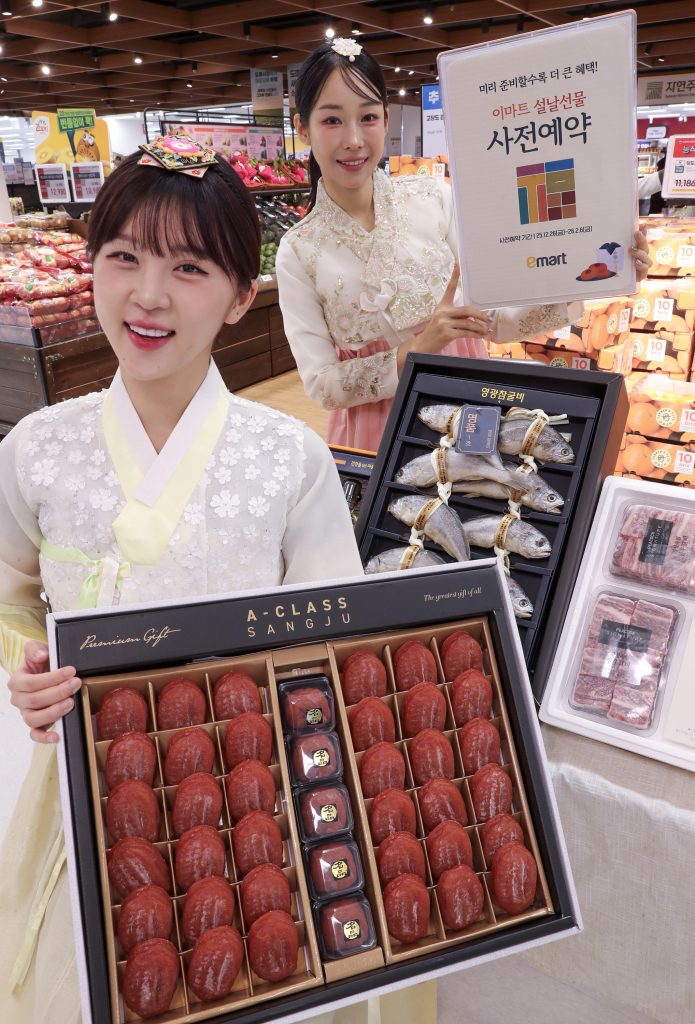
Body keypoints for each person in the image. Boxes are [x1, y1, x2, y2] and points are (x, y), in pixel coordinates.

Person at [0, 142, 364, 1023]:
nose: (148, 294)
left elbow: (338, 635)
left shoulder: (289, 459)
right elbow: (9, 595)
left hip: (253, 789)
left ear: (242, 296)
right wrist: (29, 667)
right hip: (94, 778)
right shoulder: (36, 448)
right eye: (123, 256)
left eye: (189, 268)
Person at [276, 39, 653, 451]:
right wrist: (416, 350)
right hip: (374, 432)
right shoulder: (298, 251)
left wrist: (597, 271)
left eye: (367, 117)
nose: (353, 139)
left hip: (470, 406)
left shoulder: (433, 199)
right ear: (302, 128)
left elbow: (496, 319)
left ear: (385, 119)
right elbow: (322, 385)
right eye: (332, 120)